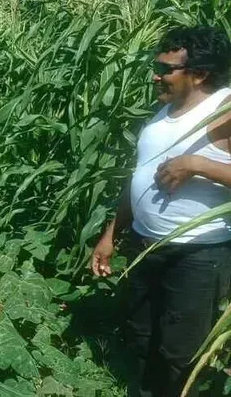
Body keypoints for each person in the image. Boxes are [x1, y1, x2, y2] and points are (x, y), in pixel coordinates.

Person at [92, 25, 231, 397]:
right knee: (140, 336)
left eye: (166, 68)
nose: (156, 75)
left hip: (197, 254)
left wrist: (198, 165)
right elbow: (138, 177)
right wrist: (110, 235)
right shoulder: (162, 115)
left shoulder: (224, 110)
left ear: (199, 74)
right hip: (144, 244)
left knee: (179, 354)